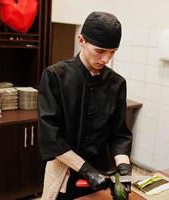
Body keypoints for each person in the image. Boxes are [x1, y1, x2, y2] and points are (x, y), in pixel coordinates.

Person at [38, 11, 132, 200]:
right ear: (81, 40)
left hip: (102, 172)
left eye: (112, 52)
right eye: (99, 51)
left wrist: (124, 168)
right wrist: (86, 170)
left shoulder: (117, 83)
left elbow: (119, 134)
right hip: (64, 169)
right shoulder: (55, 76)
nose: (106, 59)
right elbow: (51, 136)